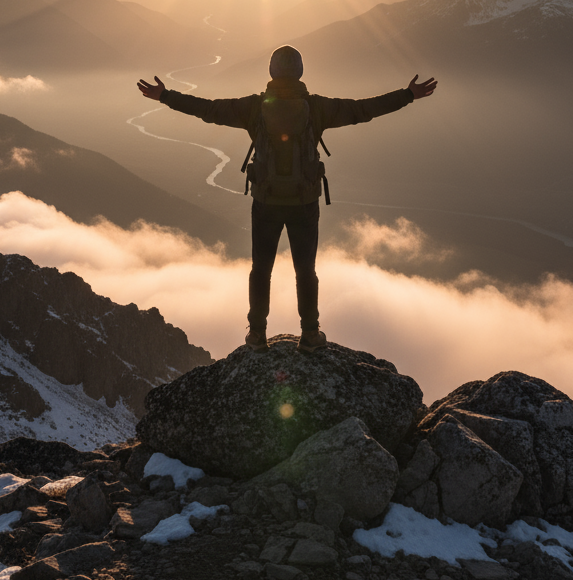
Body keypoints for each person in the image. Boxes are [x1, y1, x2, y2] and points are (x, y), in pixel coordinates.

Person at [137, 45, 437, 353]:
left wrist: (166, 96)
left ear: (271, 73)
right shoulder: (317, 107)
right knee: (305, 270)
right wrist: (407, 95)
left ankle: (256, 334)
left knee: (261, 268)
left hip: (266, 202)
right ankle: (309, 335)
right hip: (304, 203)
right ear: (300, 73)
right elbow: (363, 110)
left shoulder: (254, 107)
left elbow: (208, 109)